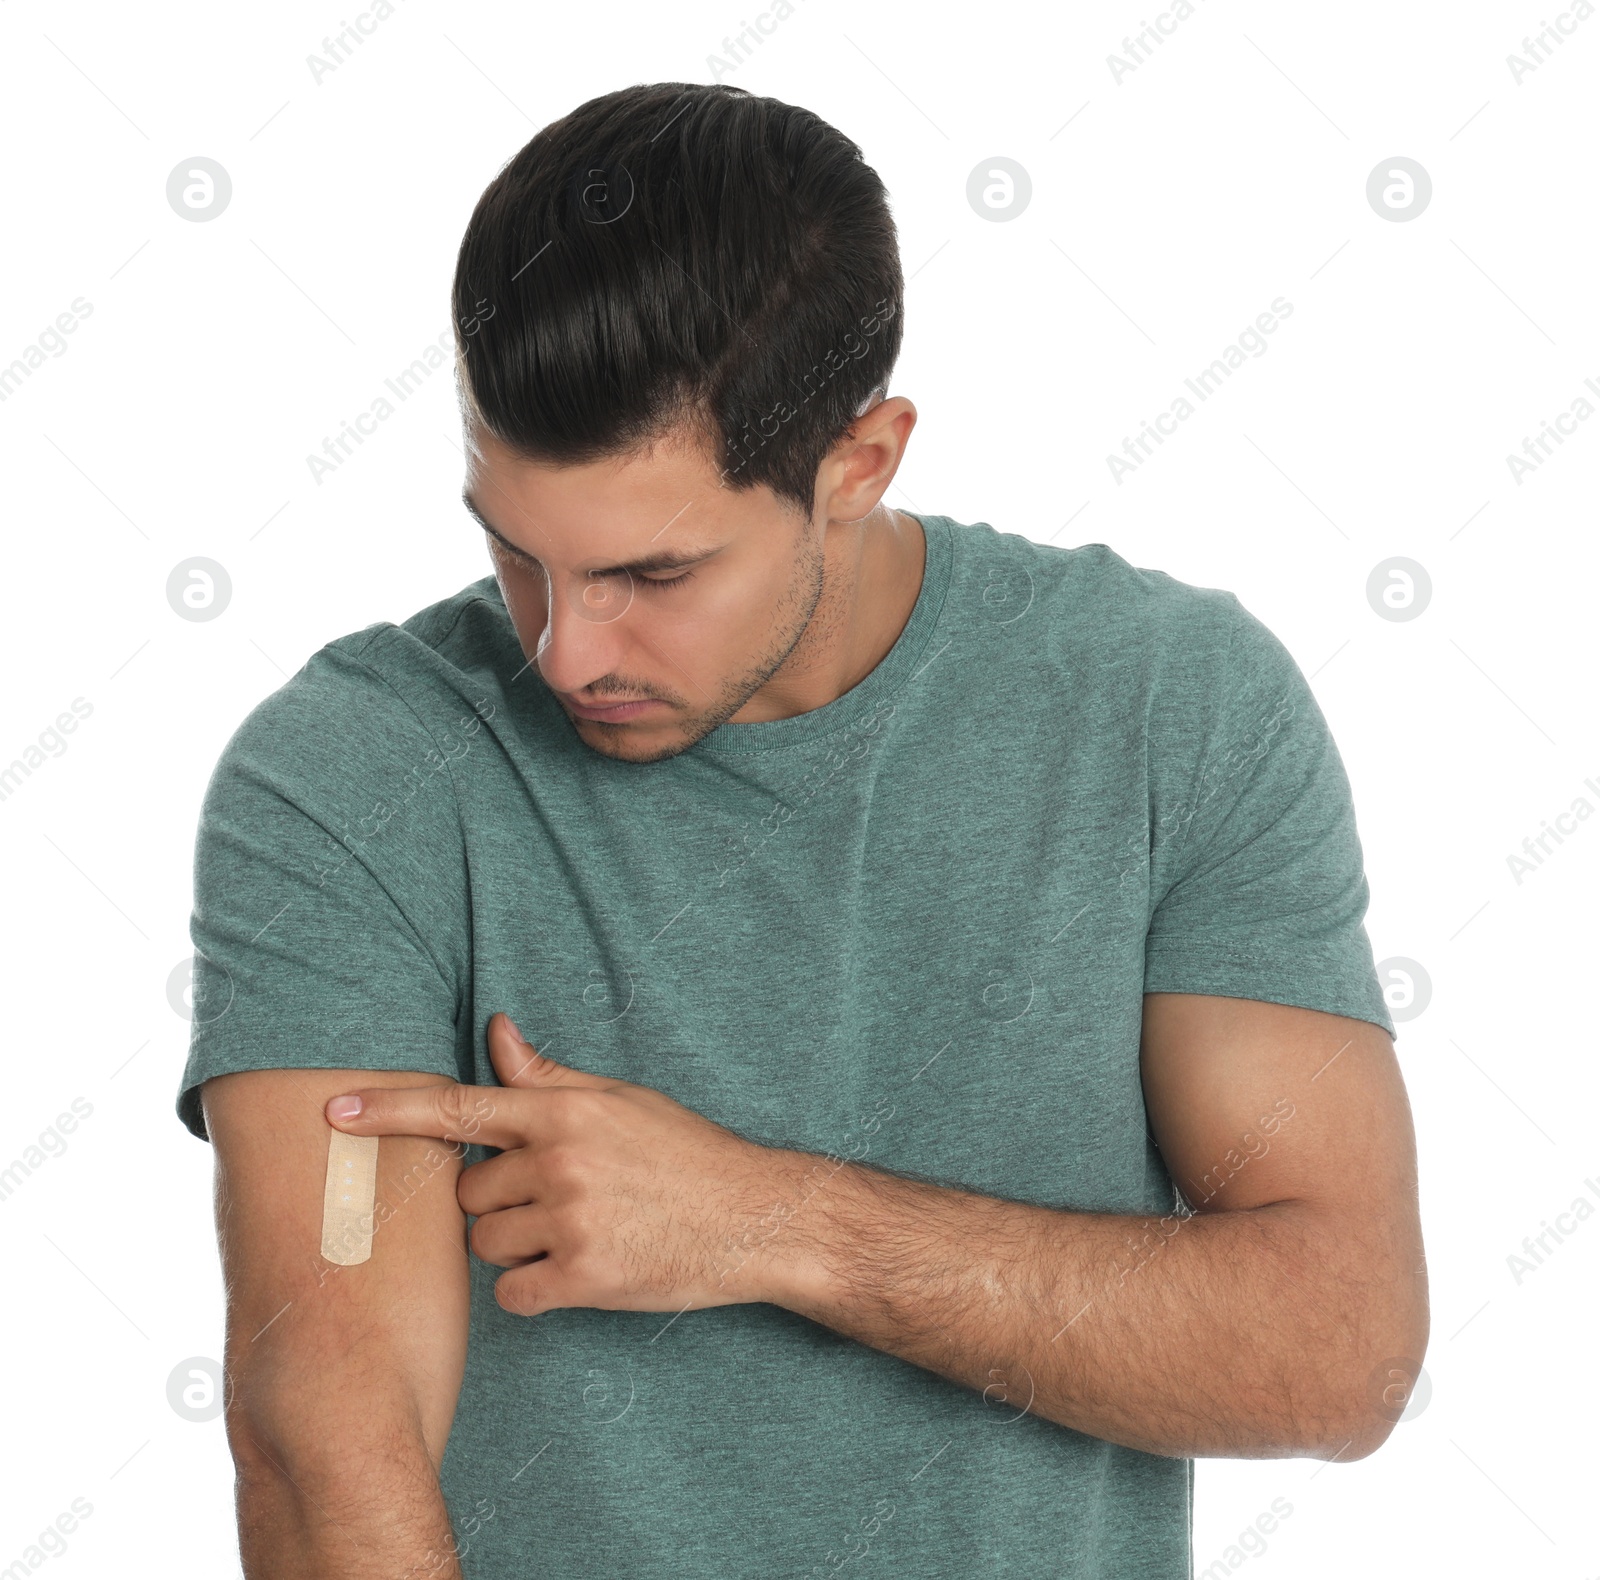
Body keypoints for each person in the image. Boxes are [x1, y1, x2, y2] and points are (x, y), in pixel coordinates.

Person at [177, 80, 1427, 1580]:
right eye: (515, 552)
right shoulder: (357, 769)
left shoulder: (1172, 707)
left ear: (860, 464)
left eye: (652, 572)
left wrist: (762, 1221)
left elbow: (1338, 1351)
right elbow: (325, 1437)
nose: (565, 649)